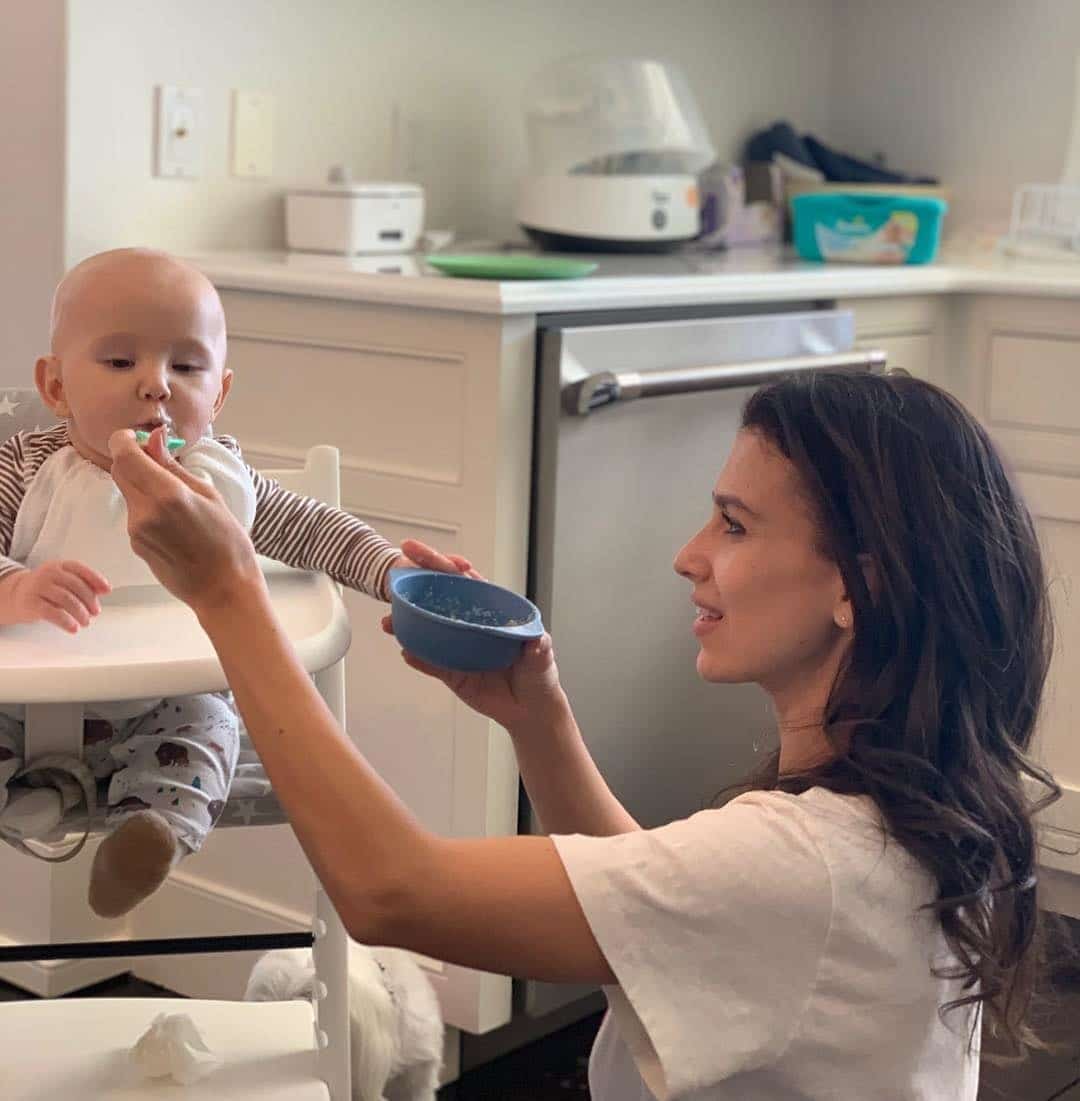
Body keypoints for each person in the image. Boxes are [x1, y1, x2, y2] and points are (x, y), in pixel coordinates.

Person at [108, 367, 1061, 1100]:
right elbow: (675, 918)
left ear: (861, 582)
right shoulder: (913, 813)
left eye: (733, 525)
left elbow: (393, 890)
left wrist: (229, 596)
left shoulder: (810, 864)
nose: (689, 555)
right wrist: (539, 718)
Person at [0, 248, 468, 918]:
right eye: (119, 361)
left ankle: (149, 833)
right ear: (55, 386)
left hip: (166, 699)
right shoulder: (24, 467)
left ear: (217, 393)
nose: (156, 384)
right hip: (18, 703)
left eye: (185, 366)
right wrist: (16, 588)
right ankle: (33, 799)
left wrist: (396, 571)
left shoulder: (221, 482)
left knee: (210, 725)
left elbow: (315, 531)